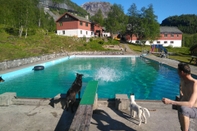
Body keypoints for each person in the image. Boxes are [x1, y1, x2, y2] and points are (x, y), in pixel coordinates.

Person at [162, 63, 197, 131]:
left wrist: (170, 102)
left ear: (182, 72)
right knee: (180, 105)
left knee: (183, 108)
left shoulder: (195, 84)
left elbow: (190, 104)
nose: (177, 73)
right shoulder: (182, 81)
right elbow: (182, 94)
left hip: (195, 109)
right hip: (187, 107)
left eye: (178, 71)